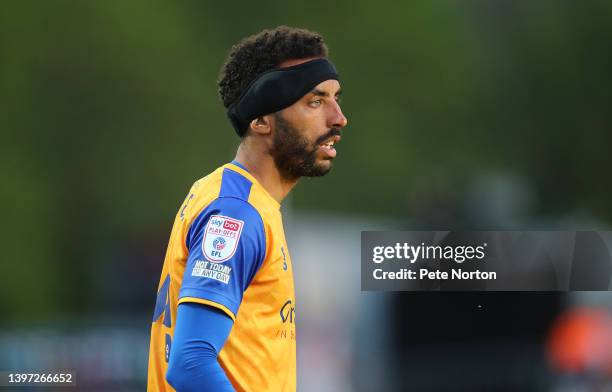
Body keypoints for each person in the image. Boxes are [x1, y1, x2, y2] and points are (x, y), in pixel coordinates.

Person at [147, 26, 348, 391]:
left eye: (335, 99)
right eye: (315, 102)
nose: (338, 118)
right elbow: (190, 364)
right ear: (260, 121)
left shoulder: (242, 201)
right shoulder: (236, 214)